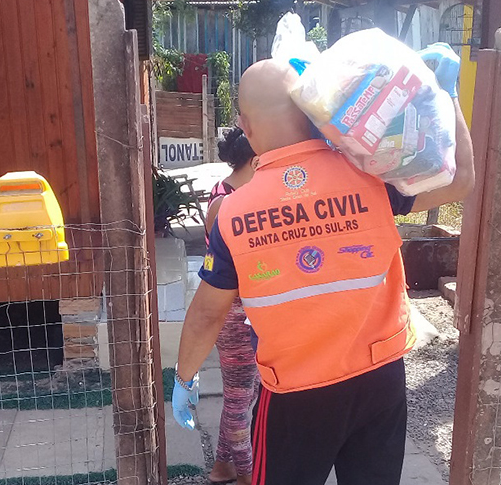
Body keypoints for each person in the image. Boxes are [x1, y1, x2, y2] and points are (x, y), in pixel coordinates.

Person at [172, 43, 474, 485]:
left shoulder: (234, 213)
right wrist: (447, 93)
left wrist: (184, 377)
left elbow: (207, 314)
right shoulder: (372, 179)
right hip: (380, 381)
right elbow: (461, 179)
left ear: (246, 127)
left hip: (296, 393)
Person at [204, 127, 260, 485]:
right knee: (240, 400)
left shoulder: (228, 192)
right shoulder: (227, 203)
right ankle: (247, 475)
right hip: (236, 313)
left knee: (243, 394)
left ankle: (222, 467)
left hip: (245, 311)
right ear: (255, 160)